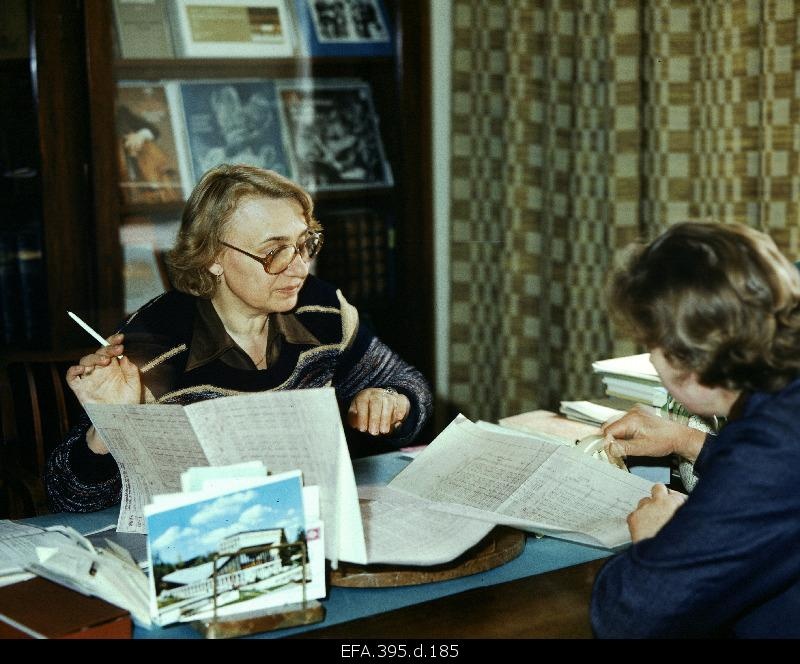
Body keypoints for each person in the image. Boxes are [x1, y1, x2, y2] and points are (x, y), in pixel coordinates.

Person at [46, 164, 432, 513]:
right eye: (274, 252)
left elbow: (412, 389)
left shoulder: (321, 309)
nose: (299, 267)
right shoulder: (154, 344)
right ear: (213, 256)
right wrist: (109, 427)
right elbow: (69, 495)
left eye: (304, 243)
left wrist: (391, 402)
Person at [590, 221, 800, 638]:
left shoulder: (773, 448)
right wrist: (689, 440)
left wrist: (656, 542)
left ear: (692, 366)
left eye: (652, 347)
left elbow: (627, 616)